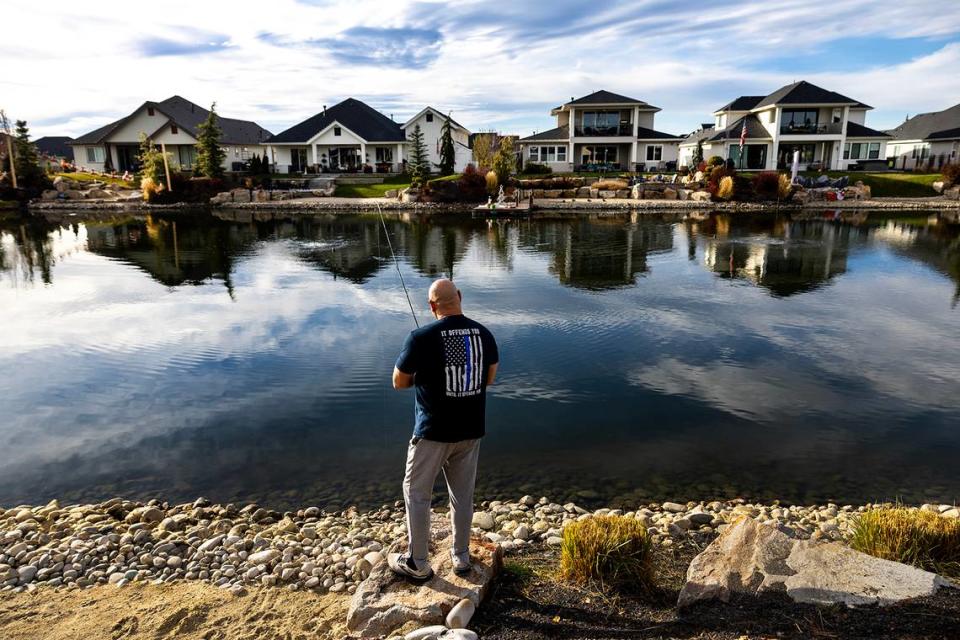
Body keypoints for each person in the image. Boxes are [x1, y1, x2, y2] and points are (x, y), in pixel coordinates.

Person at [388, 279, 499, 581]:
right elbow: (488, 378)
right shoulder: (484, 334)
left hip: (433, 432)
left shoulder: (420, 337)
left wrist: (423, 377)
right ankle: (461, 557)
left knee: (416, 493)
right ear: (459, 297)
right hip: (471, 429)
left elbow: (398, 382)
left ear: (432, 306)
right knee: (462, 496)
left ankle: (417, 562)